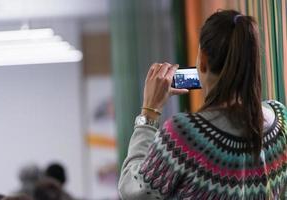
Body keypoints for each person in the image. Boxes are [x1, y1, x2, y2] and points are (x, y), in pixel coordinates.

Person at [118, 10, 287, 199]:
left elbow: (132, 191)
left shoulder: (184, 134)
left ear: (204, 62)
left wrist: (149, 113)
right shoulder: (281, 118)